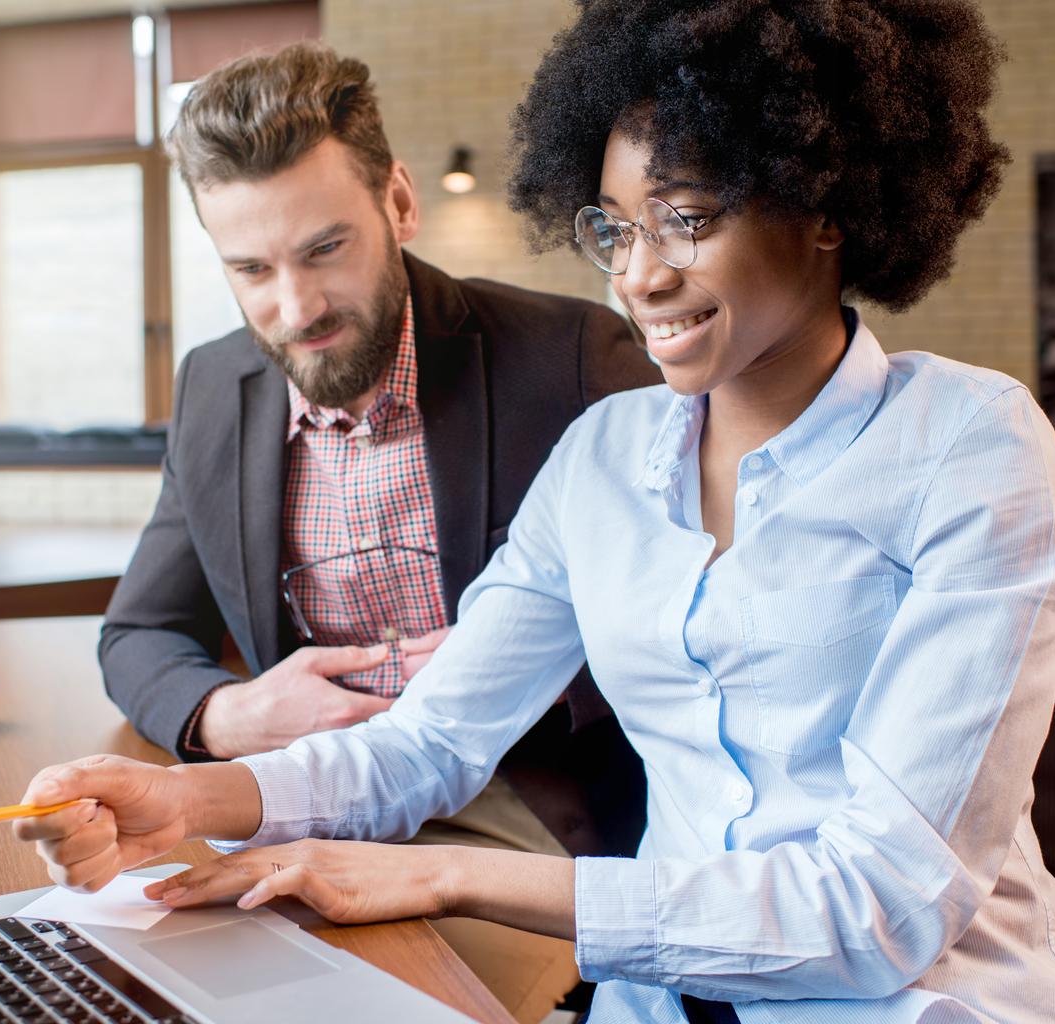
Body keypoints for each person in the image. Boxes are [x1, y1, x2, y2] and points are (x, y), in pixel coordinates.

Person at [18, 3, 1055, 1021]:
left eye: (686, 219)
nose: (641, 276)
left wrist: (440, 872)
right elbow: (428, 743)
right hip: (661, 993)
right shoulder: (604, 459)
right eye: (614, 229)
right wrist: (189, 804)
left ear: (824, 203)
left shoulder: (968, 443)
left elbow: (878, 910)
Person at [95, 40, 659, 1023]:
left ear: (399, 201)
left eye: (324, 249)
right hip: (308, 797)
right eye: (250, 268)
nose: (294, 307)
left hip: (518, 814)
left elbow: (698, 628)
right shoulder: (213, 389)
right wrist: (232, 717)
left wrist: (531, 666)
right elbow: (137, 634)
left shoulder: (572, 361)